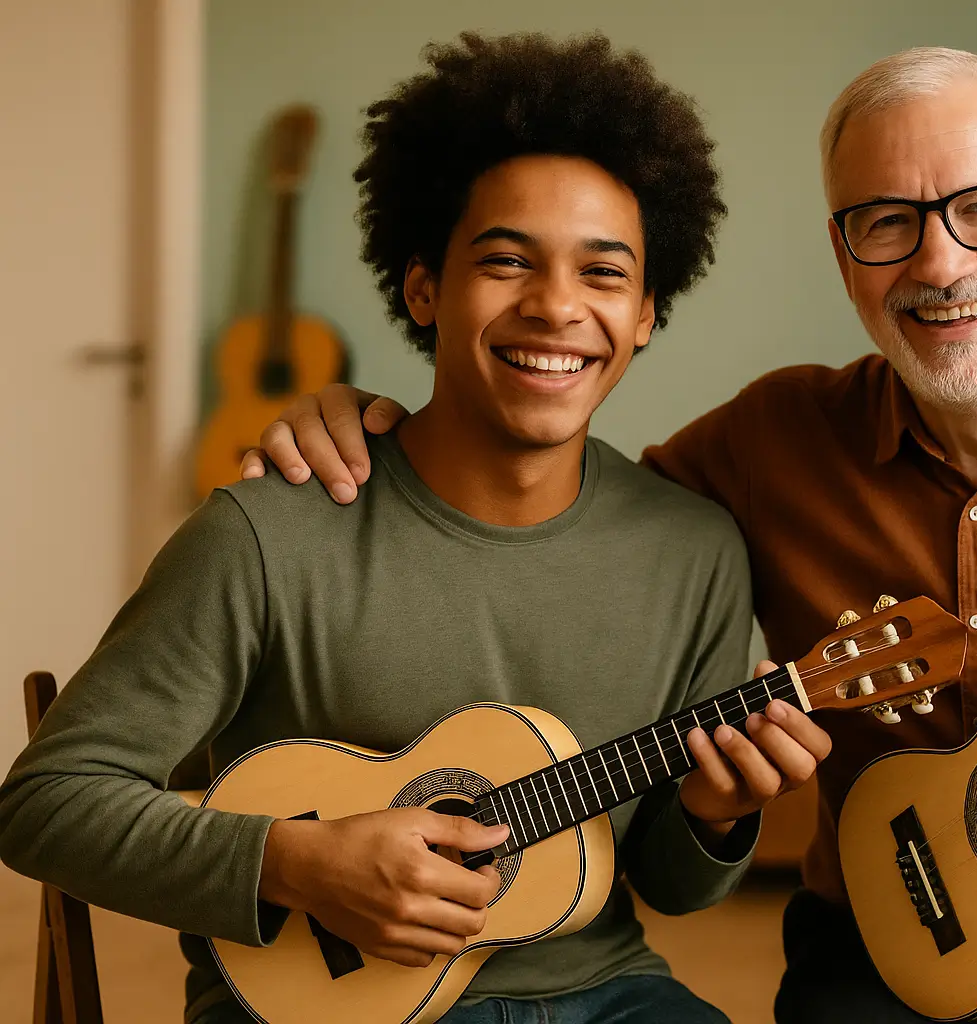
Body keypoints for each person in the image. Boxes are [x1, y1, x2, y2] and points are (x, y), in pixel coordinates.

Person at [240, 46, 977, 1024]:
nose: (941, 262)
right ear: (847, 260)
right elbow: (556, 508)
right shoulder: (772, 442)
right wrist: (382, 424)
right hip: (878, 959)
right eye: (885, 223)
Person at [0, 32, 831, 1024]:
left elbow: (672, 886)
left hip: (602, 991)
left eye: (604, 275)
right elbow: (45, 803)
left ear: (647, 312)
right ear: (424, 287)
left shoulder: (695, 552)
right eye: (506, 260)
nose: (558, 305)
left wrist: (717, 813)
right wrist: (292, 861)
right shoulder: (269, 529)